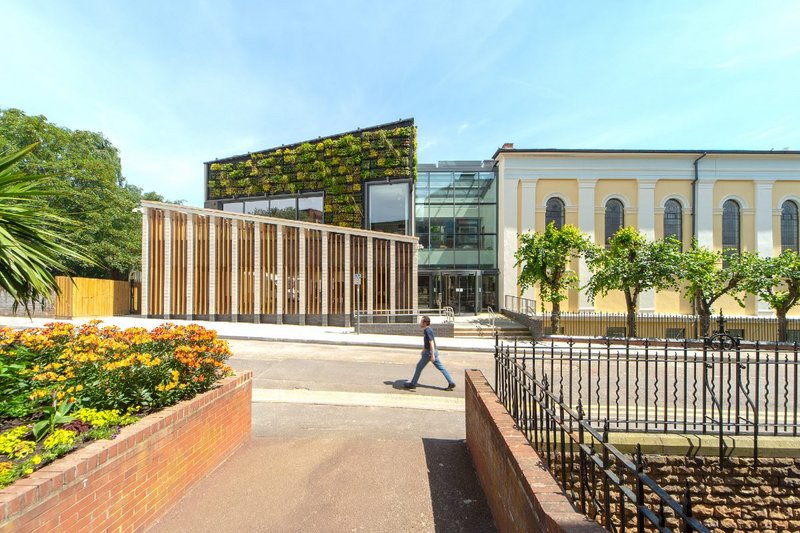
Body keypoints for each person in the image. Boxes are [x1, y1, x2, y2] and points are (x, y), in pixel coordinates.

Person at [404, 315, 456, 391]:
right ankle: (451, 382)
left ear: (425, 323)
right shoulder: (427, 330)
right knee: (441, 368)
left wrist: (432, 355)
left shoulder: (427, 330)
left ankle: (413, 384)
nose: (420, 323)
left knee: (419, 367)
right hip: (430, 351)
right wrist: (424, 349)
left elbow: (431, 342)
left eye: (421, 321)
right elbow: (428, 343)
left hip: (429, 353)